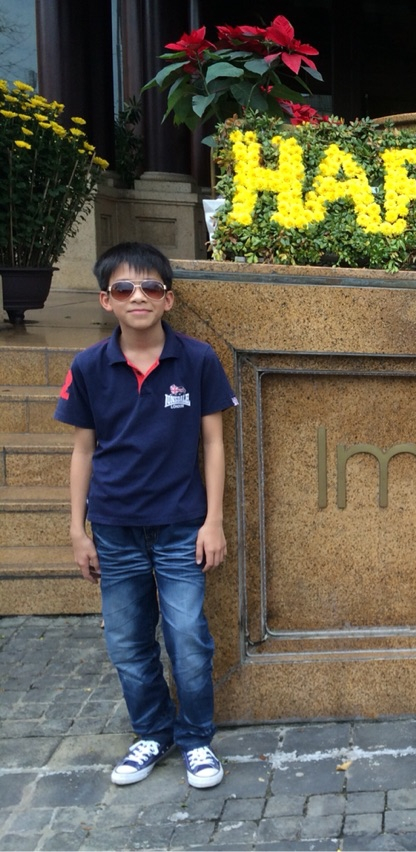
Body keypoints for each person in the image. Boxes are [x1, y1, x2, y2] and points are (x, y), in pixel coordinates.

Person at [55, 242, 237, 789]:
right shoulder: (89, 366)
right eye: (124, 288)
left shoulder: (197, 359)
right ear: (106, 300)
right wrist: (77, 530)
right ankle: (152, 733)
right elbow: (83, 451)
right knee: (128, 643)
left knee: (188, 639)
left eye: (151, 287)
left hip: (182, 525)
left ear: (168, 299)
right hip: (114, 528)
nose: (139, 297)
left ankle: (196, 739)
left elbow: (213, 444)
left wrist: (213, 521)